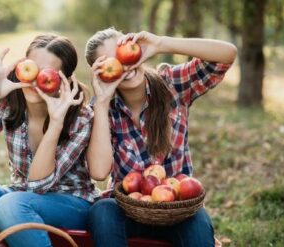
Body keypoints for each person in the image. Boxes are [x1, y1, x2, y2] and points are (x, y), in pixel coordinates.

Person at [0, 34, 99, 247]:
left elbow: (38, 184)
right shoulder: (8, 105)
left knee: (11, 204)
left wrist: (56, 122)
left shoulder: (81, 118)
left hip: (71, 204)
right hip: (18, 196)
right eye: (31, 67)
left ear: (65, 81)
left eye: (47, 73)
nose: (35, 80)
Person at [85, 28, 237, 247]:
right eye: (112, 62)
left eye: (126, 52)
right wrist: (101, 102)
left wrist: (161, 44)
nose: (124, 65)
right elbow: (99, 172)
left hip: (178, 209)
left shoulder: (172, 85)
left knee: (199, 225)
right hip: (128, 208)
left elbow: (227, 55)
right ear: (99, 71)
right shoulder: (101, 108)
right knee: (102, 211)